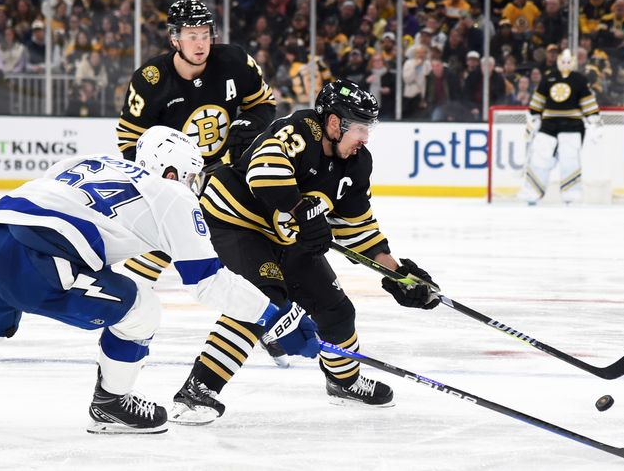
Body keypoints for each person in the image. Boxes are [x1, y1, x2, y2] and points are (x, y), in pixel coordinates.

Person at [0, 126, 319, 433]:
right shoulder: (173, 195)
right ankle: (111, 403)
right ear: (173, 171)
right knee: (141, 310)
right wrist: (271, 313)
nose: (192, 187)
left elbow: (52, 202)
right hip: (44, 258)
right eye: (191, 176)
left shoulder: (91, 161)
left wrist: (5, 273)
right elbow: (207, 282)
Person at [168, 79, 440, 426]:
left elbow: (359, 230)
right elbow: (263, 173)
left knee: (337, 310)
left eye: (368, 129)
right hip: (236, 221)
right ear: (333, 123)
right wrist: (301, 210)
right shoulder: (299, 129)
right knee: (262, 301)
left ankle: (344, 382)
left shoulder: (356, 164)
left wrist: (397, 274)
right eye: (359, 128)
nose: (365, 138)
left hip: (287, 237)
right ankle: (196, 392)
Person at [114, 0, 277, 315]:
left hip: (226, 172)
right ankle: (123, 307)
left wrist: (247, 125)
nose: (200, 42)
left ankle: (260, 317)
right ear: (174, 39)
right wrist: (157, 182)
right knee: (158, 244)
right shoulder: (151, 79)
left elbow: (264, 104)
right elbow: (129, 139)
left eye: (204, 33)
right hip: (174, 181)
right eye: (191, 35)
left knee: (246, 245)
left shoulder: (235, 61)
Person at [518, 49, 601, 204]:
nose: (565, 64)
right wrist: (533, 119)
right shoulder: (549, 78)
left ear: (574, 62)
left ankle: (571, 194)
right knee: (539, 157)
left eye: (569, 62)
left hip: (573, 124)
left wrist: (595, 122)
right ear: (558, 62)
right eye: (563, 61)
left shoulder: (580, 80)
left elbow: (588, 102)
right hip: (548, 123)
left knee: (570, 160)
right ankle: (532, 192)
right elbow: (538, 100)